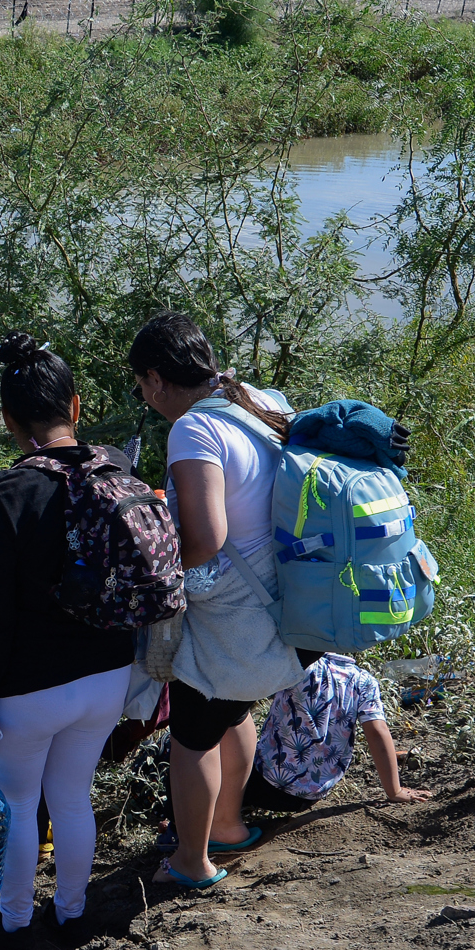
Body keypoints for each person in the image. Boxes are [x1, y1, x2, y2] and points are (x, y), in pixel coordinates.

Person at [0, 335, 138, 950]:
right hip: (108, 675)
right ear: (76, 405)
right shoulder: (117, 471)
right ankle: (71, 915)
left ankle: (14, 926)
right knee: (70, 798)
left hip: (29, 688)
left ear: (8, 420)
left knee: (17, 804)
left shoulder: (4, 495)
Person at [130, 312, 304, 892]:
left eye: (140, 385)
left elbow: (206, 538)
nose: (144, 396)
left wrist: (151, 575)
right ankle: (227, 825)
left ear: (156, 379)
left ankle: (192, 859)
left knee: (192, 736)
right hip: (281, 604)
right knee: (233, 711)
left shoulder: (193, 428)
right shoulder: (256, 399)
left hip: (233, 616)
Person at [246, 652, 431, 810]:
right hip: (309, 797)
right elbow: (377, 732)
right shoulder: (364, 681)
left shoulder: (298, 664)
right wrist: (395, 790)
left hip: (263, 782)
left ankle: (232, 819)